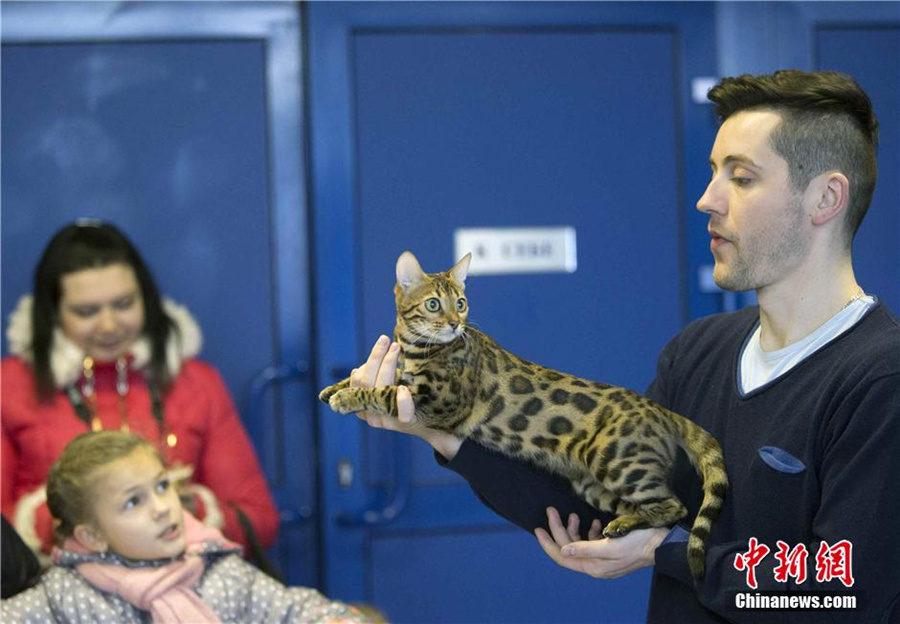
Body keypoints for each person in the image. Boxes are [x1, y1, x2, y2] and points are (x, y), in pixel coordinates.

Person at [347, 70, 900, 622]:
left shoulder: (881, 378)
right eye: (713, 173)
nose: (707, 199)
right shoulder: (697, 352)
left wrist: (668, 551)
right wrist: (439, 430)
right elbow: (591, 507)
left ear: (826, 197)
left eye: (743, 178)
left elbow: (845, 594)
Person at [1, 221, 280, 566]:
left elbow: (261, 522)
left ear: (146, 299)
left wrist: (189, 508)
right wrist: (70, 518)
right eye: (86, 311)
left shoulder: (196, 382)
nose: (108, 325)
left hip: (188, 592)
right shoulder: (10, 386)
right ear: (52, 314)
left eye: (123, 304)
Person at [0, 431, 369, 622]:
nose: (163, 508)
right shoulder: (65, 595)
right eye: (133, 502)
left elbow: (290, 610)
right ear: (91, 536)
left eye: (162, 486)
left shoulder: (216, 570)